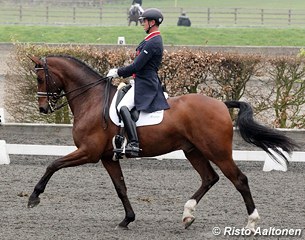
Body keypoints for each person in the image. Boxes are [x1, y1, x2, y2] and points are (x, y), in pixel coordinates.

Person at [107, 8, 170, 157]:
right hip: (140, 81)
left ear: (152, 22)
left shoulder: (153, 42)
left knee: (123, 107)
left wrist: (117, 72)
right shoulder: (150, 39)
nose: (142, 24)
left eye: (144, 21)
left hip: (146, 83)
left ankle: (134, 143)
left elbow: (136, 66)